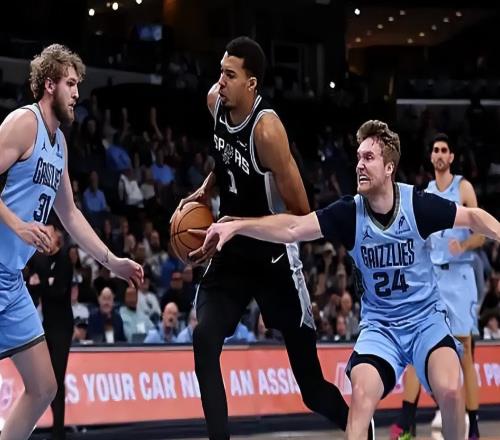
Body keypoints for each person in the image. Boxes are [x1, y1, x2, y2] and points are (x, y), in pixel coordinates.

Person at [200, 120, 500, 439]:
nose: (359, 165)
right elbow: (293, 228)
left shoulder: (417, 205)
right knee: (360, 398)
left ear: (389, 168)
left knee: (451, 391)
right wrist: (237, 226)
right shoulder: (348, 213)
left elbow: (473, 217)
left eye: (368, 158)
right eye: (358, 157)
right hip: (381, 327)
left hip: (425, 321)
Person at [174, 36, 351, 440]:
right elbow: (225, 159)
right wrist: (207, 187)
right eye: (220, 71)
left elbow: (303, 215)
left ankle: (361, 427)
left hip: (274, 260)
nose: (220, 81)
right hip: (232, 254)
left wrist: (240, 222)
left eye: (229, 75)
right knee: (204, 338)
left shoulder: (268, 131)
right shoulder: (215, 102)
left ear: (251, 84)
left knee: (311, 389)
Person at [0, 44, 143, 440]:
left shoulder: (59, 143)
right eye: (71, 84)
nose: (78, 93)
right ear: (50, 85)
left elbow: (71, 214)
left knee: (44, 387)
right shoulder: (24, 123)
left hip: (10, 279)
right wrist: (17, 225)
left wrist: (112, 261)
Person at [390, 133, 485, 440]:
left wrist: (464, 244)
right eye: (436, 150)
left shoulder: (463, 188)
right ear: (431, 157)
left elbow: (481, 233)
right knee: (420, 346)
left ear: (451, 157)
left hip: (460, 276)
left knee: (465, 352)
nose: (440, 154)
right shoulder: (425, 193)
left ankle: (474, 427)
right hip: (432, 279)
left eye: (445, 150)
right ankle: (406, 422)